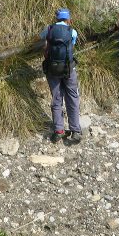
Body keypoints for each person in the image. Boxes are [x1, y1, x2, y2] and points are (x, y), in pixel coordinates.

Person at [41, 8, 82, 143]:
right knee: (72, 97)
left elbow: (41, 38)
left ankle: (58, 130)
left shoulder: (49, 29)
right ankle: (75, 130)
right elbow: (72, 46)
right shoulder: (72, 31)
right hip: (68, 69)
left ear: (57, 18)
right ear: (68, 19)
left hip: (52, 69)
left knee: (56, 98)